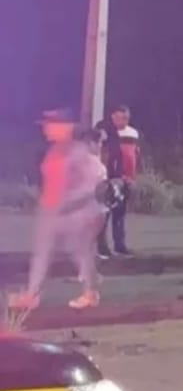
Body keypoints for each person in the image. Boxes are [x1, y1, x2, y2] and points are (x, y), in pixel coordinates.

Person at [8, 109, 107, 310]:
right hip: (51, 210)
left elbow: (91, 185)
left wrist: (69, 203)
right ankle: (31, 295)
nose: (46, 129)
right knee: (41, 254)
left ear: (66, 127)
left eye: (50, 125)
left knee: (79, 252)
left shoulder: (79, 151)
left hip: (77, 212)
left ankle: (90, 292)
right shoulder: (54, 151)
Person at [94, 105, 139, 258]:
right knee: (104, 214)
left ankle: (120, 245)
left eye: (126, 118)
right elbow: (104, 154)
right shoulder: (106, 130)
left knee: (119, 213)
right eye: (120, 117)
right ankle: (101, 247)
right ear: (113, 116)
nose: (123, 121)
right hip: (108, 178)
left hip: (123, 178)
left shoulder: (132, 133)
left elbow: (132, 156)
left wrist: (130, 176)